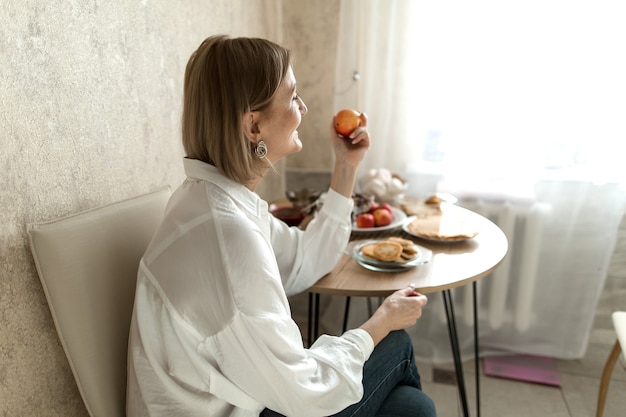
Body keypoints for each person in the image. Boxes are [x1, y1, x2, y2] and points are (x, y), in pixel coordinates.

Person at [126, 34, 437, 417]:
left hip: (245, 396)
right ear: (253, 126)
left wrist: (346, 166)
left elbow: (306, 258)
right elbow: (306, 393)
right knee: (398, 346)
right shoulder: (226, 235)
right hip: (251, 406)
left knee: (413, 407)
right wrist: (381, 322)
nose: (303, 108)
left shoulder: (212, 200)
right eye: (292, 96)